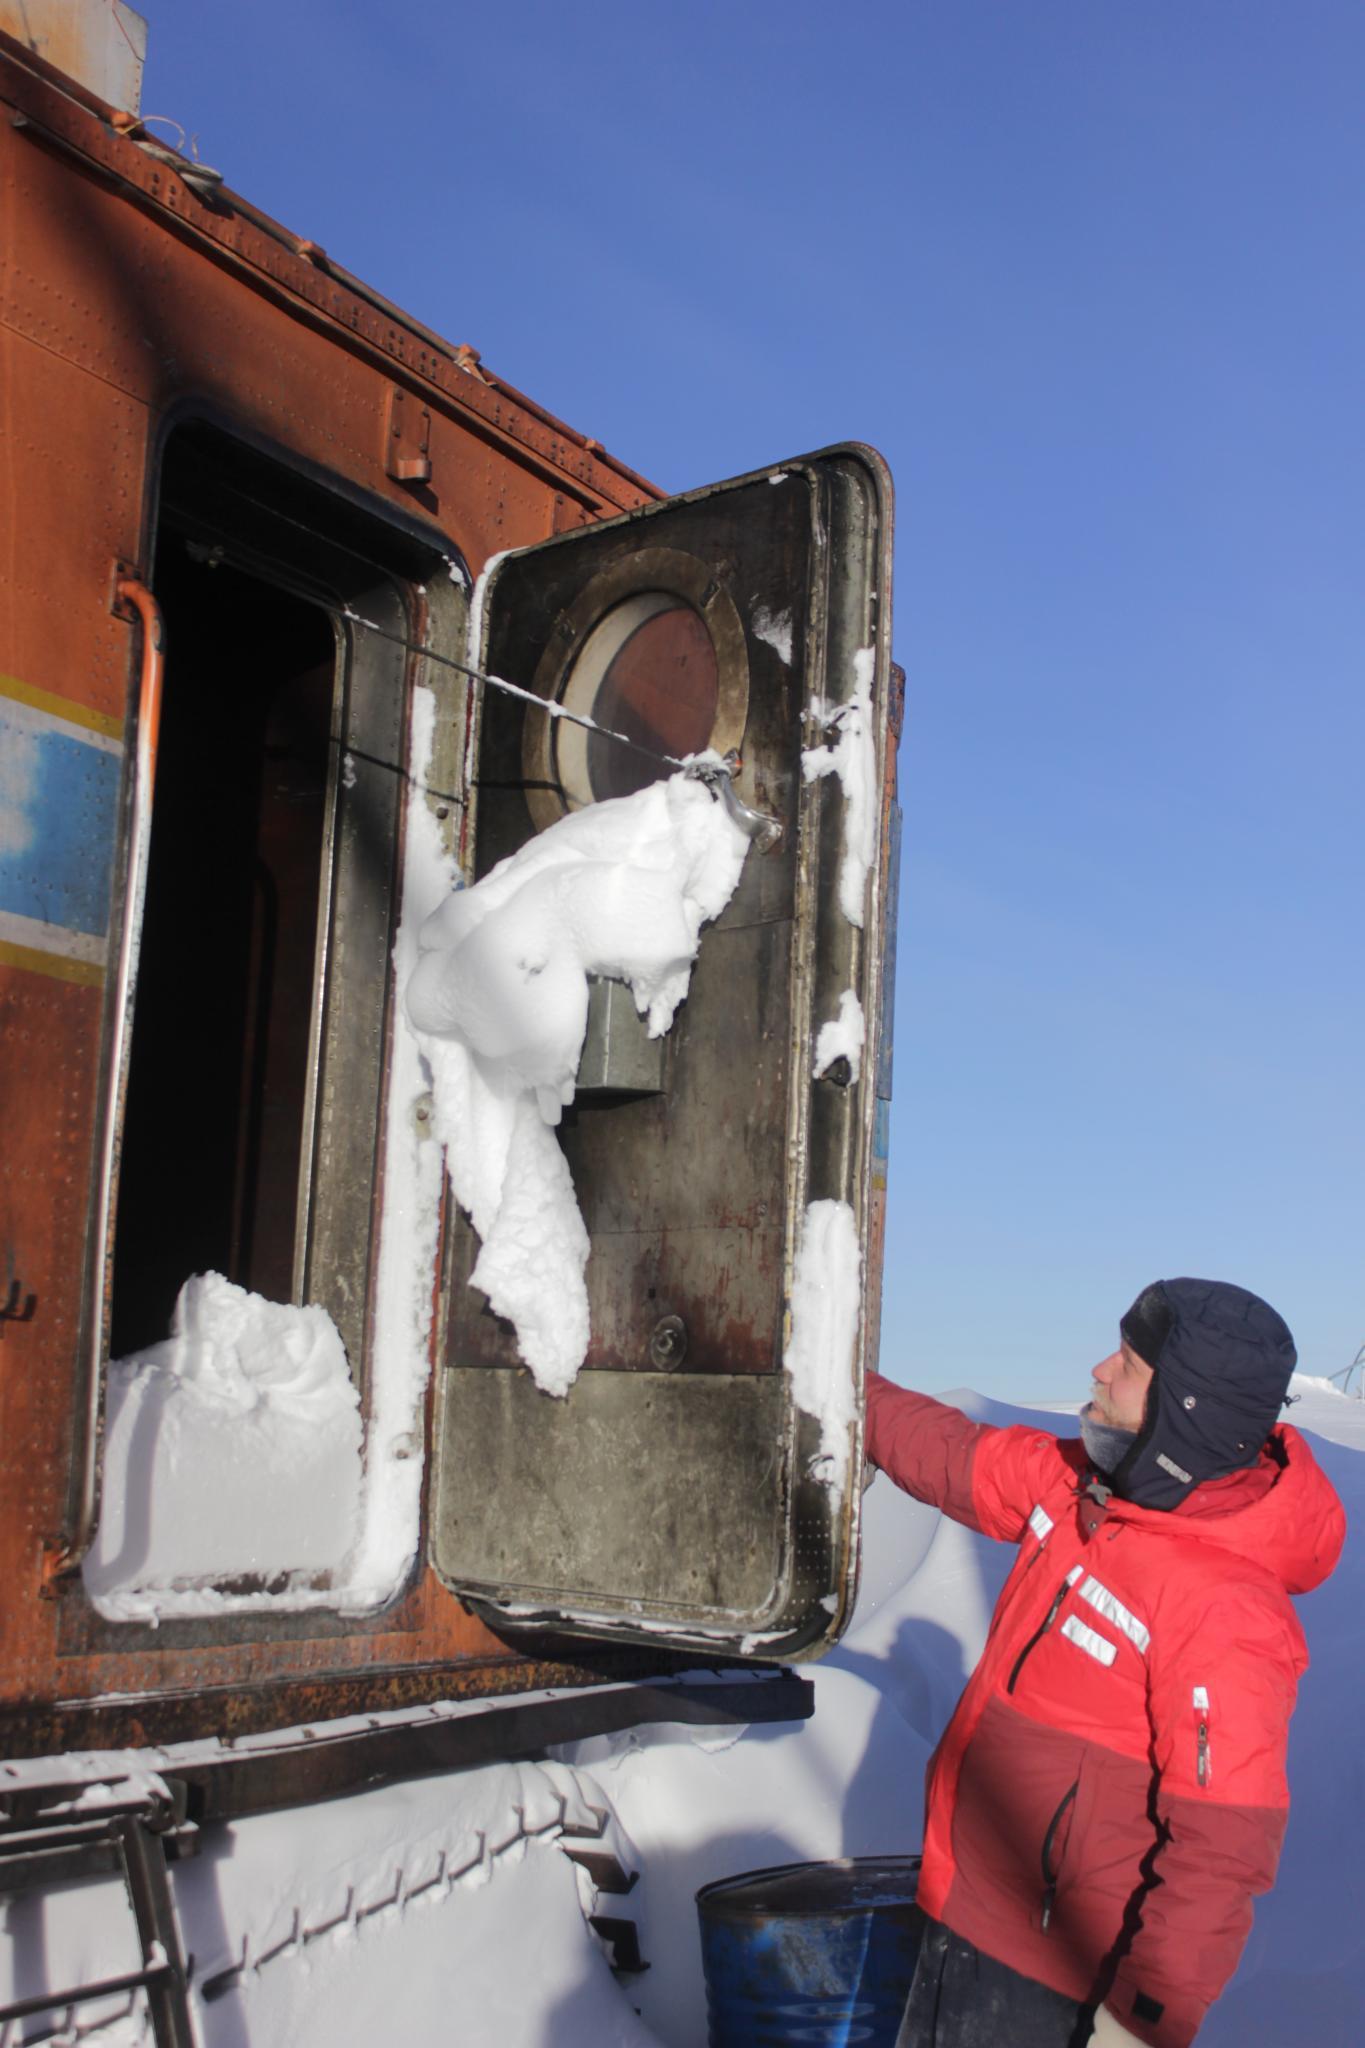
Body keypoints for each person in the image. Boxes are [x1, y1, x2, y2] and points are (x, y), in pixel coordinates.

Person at [866, 1277, 1346, 2048]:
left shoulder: (1223, 1610)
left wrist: (1140, 2022)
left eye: (1125, 1361)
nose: (1096, 1369)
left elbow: (1221, 1850)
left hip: (1054, 1978)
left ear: (1181, 1413)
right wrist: (837, 1383)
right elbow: (953, 1456)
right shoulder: (1085, 1491)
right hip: (962, 1909)